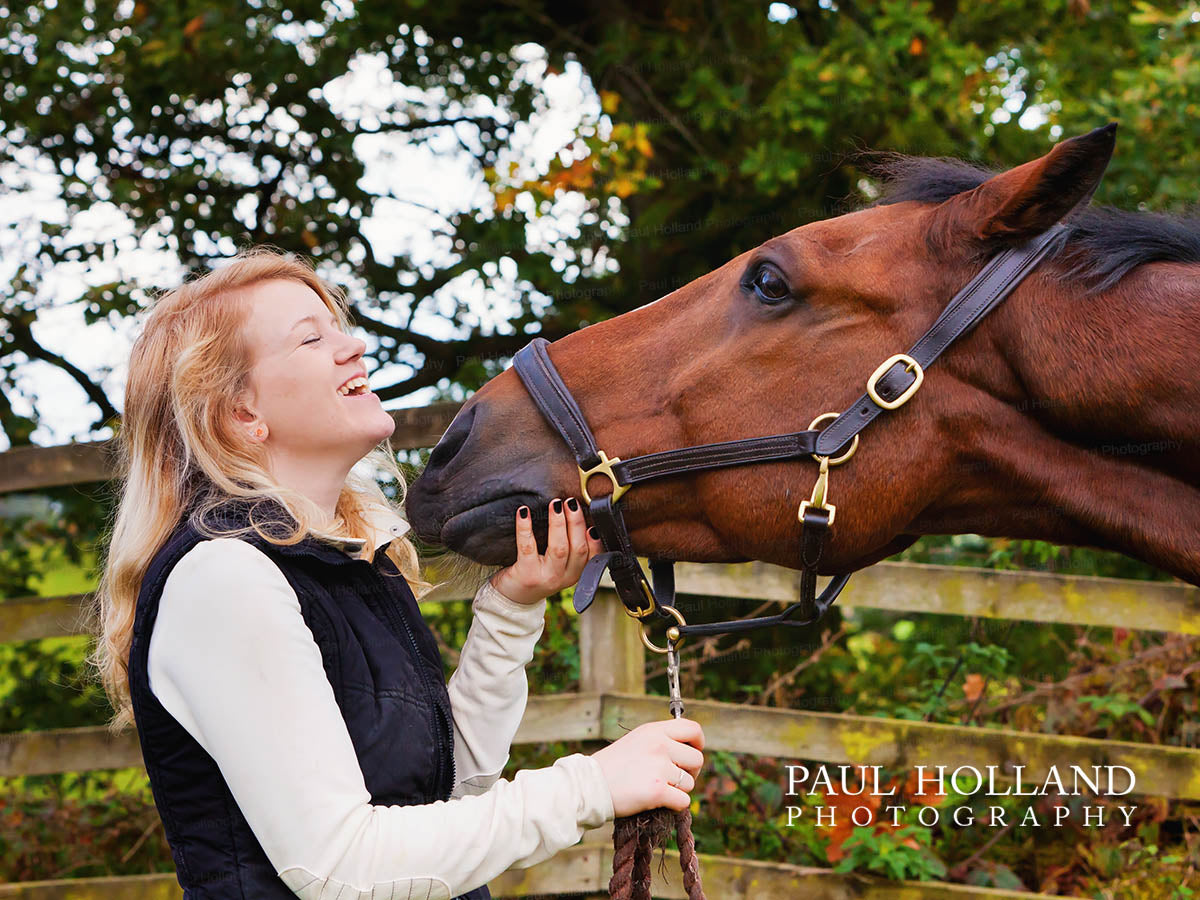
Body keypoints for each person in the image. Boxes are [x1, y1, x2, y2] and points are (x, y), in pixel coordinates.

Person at [88, 248, 706, 899]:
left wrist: (511, 611)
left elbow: (445, 790)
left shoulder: (349, 563)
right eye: (311, 337)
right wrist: (592, 785)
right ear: (242, 414)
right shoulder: (222, 579)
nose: (352, 345)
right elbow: (339, 867)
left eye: (338, 326)